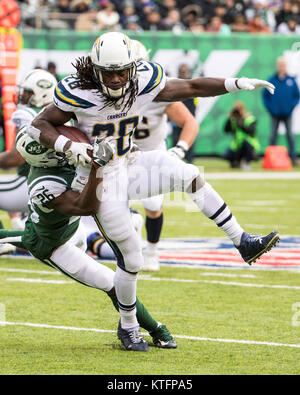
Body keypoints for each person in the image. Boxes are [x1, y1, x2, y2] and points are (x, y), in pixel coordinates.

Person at [29, 32, 279, 352]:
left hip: (131, 161)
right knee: (132, 257)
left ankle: (242, 241)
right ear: (95, 69)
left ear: (134, 67)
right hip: (101, 177)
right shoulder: (78, 92)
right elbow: (39, 125)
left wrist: (235, 83)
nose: (118, 79)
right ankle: (129, 326)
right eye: (110, 72)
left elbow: (192, 87)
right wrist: (71, 146)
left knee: (190, 174)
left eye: (123, 71)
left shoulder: (145, 79)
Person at [0, 130, 177, 351]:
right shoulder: (43, 185)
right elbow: (86, 207)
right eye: (52, 146)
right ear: (46, 157)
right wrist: (97, 167)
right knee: (113, 283)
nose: (61, 146)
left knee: (23, 237)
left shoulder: (57, 162)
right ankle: (153, 327)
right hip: (55, 245)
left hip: (71, 229)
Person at [130, 40, 199, 271]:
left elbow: (189, 121)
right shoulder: (109, 90)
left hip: (152, 152)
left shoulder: (159, 91)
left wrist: (180, 149)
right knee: (108, 200)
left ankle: (151, 250)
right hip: (121, 153)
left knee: (152, 204)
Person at [0, 69, 57, 253]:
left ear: (41, 93)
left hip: (32, 183)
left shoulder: (28, 114)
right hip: (58, 185)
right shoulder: (60, 113)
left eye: (28, 92)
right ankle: (19, 231)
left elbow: (15, 157)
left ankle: (2, 238)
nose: (22, 95)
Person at [262, 56, 300, 166]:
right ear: (277, 66)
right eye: (280, 65)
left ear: (286, 66)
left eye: (283, 65)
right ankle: (271, 160)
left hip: (287, 113)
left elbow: (297, 96)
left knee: (290, 136)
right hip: (275, 114)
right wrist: (270, 108)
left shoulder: (291, 80)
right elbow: (265, 97)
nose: (281, 67)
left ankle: (293, 159)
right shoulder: (271, 80)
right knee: (273, 136)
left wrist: (290, 107)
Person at [172, 63, 198, 164]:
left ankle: (190, 161)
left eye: (185, 71)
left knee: (189, 141)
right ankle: (176, 162)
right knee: (176, 141)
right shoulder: (174, 83)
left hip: (188, 118)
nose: (183, 73)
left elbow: (195, 103)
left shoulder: (193, 84)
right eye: (182, 71)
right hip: (176, 119)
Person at [223, 101, 260, 170]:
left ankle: (247, 162)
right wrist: (229, 118)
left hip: (249, 144)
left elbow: (251, 132)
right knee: (226, 155)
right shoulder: (233, 120)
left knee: (245, 144)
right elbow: (226, 130)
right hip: (237, 144)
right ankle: (236, 162)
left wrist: (241, 120)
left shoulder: (249, 118)